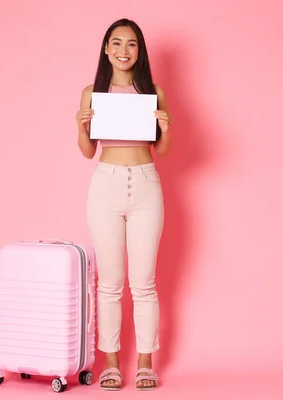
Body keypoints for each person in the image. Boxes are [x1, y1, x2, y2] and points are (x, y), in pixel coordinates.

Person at [75, 18, 173, 391]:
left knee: (144, 283)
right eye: (116, 43)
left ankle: (146, 363)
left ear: (139, 50)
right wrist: (82, 127)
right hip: (106, 185)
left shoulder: (154, 92)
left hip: (146, 184)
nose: (123, 50)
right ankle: (111, 363)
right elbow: (87, 152)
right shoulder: (92, 93)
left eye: (131, 44)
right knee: (110, 283)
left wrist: (166, 128)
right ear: (105, 49)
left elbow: (162, 151)